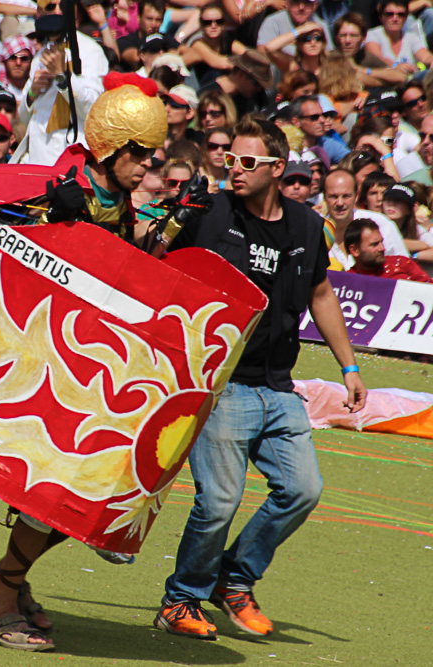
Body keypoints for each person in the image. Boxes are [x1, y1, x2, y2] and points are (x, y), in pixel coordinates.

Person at [0, 72, 169, 653]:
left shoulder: (120, 200)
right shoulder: (62, 183)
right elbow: (12, 252)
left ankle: (6, 578)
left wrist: (170, 227)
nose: (148, 166)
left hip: (87, 361)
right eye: (140, 153)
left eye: (152, 155)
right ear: (112, 148)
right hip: (38, 355)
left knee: (93, 498)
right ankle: (0, 607)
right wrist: (52, 222)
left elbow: (119, 271)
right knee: (57, 489)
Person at [154, 116, 367, 641]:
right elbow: (152, 256)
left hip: (278, 386)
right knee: (219, 502)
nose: (235, 169)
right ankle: (181, 600)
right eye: (230, 159)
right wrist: (170, 221)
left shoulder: (305, 225)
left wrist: (349, 366)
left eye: (247, 161)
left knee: (302, 490)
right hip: (222, 383)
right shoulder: (210, 212)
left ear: (277, 168)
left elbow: (320, 293)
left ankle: (234, 578)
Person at [16, 12, 106, 167]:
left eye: (57, 39)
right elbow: (23, 117)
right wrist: (32, 92)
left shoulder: (89, 50)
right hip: (37, 155)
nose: (51, 44)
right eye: (46, 39)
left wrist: (62, 76)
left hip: (70, 152)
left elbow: (92, 108)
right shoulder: (40, 56)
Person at [322, 168, 409, 270]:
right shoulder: (315, 229)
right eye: (333, 196)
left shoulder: (380, 223)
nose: (340, 203)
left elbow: (404, 264)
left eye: (346, 196)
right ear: (324, 197)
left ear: (356, 196)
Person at [345, 218, 433, 282]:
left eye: (381, 242)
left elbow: (432, 290)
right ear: (355, 250)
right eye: (374, 244)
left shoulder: (402, 263)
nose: (382, 248)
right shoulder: (347, 282)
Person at [363, 0, 433, 72]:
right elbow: (377, 58)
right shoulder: (372, 35)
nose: (395, 19)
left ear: (406, 18)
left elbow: (425, 56)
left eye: (401, 14)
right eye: (390, 14)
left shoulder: (411, 37)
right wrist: (396, 66)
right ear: (381, 17)